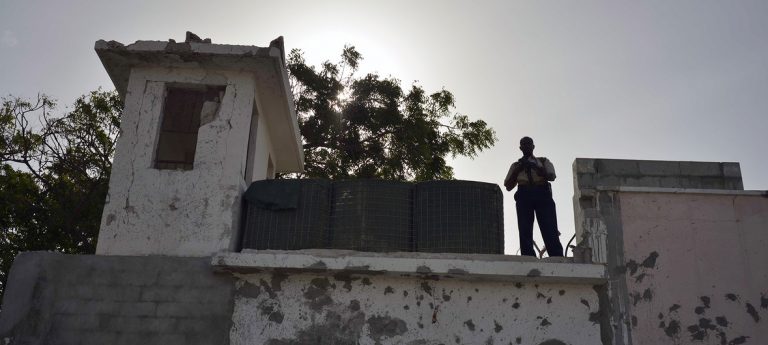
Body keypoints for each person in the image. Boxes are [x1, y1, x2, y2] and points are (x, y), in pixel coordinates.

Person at [504, 136, 564, 257]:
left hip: (542, 193)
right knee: (524, 227)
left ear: (533, 146)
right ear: (520, 148)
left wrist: (534, 167)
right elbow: (508, 186)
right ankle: (528, 256)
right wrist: (519, 169)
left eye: (529, 144)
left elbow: (551, 177)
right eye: (524, 144)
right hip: (524, 194)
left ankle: (556, 256)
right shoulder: (516, 165)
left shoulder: (543, 161)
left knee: (549, 225)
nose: (526, 146)